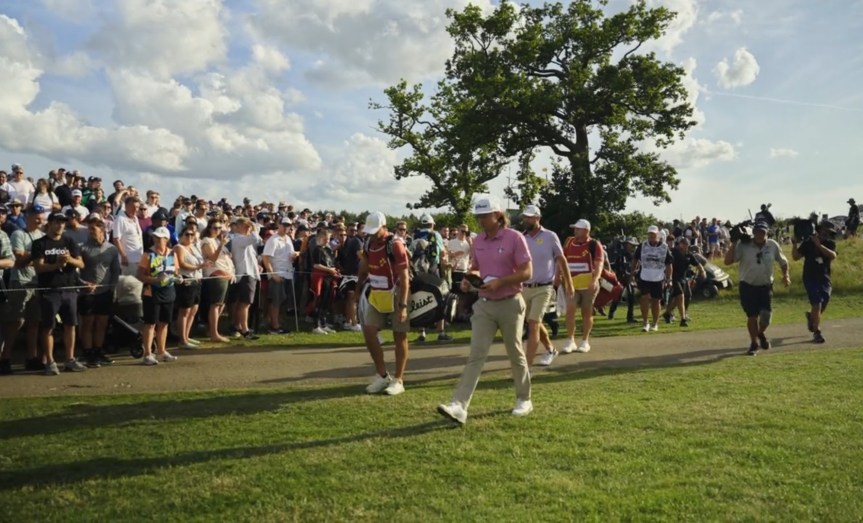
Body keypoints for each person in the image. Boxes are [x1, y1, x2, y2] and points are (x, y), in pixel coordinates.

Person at [437, 197, 533, 425]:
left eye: (484, 215)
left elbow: (527, 271)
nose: (480, 220)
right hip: (485, 304)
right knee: (476, 355)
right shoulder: (478, 240)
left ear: (498, 215)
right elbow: (477, 267)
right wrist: (469, 281)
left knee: (514, 352)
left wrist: (501, 282)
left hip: (510, 302)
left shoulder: (515, 238)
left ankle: (524, 398)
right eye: (478, 216)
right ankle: (459, 405)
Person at [355, 211, 411, 396]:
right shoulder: (369, 243)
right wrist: (357, 290)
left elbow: (404, 277)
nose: (371, 234)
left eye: (375, 230)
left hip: (396, 293)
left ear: (384, 228)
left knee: (399, 335)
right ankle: (382, 376)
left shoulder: (395, 245)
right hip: (376, 293)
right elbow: (364, 268)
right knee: (369, 332)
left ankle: (398, 379)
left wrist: (403, 306)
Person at [724, 220, 790, 356]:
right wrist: (734, 242)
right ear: (753, 232)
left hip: (765, 286)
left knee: (766, 317)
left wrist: (786, 275)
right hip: (747, 286)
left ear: (767, 232)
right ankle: (754, 343)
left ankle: (760, 333)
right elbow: (728, 261)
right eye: (756, 231)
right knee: (752, 316)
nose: (759, 234)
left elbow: (783, 262)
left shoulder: (772, 245)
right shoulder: (744, 245)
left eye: (762, 232)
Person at [31, 212, 86, 374]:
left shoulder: (69, 241)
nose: (61, 225)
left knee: (71, 325)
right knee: (48, 327)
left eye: (63, 222)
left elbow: (81, 264)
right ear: (50, 223)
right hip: (49, 290)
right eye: (57, 222)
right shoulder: (39, 244)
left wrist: (69, 260)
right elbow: (38, 267)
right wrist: (56, 264)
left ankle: (70, 359)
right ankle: (50, 361)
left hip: (69, 289)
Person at [519, 205, 571, 367]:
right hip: (525, 287)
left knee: (533, 324)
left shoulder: (550, 236)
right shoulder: (521, 237)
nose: (526, 220)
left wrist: (568, 283)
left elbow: (561, 259)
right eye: (525, 217)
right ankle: (550, 349)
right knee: (533, 322)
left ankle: (526, 365)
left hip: (544, 287)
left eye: (530, 217)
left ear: (537, 218)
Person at [1, 206, 45, 373]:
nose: (39, 220)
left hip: (37, 281)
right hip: (20, 281)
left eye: (41, 217)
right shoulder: (18, 234)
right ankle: (5, 358)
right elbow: (18, 260)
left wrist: (31, 254)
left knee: (34, 322)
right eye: (36, 217)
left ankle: (31, 357)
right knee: (16, 321)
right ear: (29, 217)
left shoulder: (42, 236)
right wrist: (35, 254)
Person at [78, 215, 121, 367]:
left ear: (102, 230)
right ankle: (88, 352)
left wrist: (112, 288)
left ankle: (98, 350)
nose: (90, 232)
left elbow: (115, 270)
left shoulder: (111, 249)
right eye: (89, 229)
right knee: (88, 323)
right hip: (87, 292)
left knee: (102, 324)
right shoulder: (82, 247)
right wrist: (83, 283)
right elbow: (76, 271)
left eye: (93, 229)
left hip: (105, 292)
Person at [560, 219, 604, 354]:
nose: (575, 231)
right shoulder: (569, 242)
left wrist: (595, 280)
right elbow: (562, 259)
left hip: (588, 284)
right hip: (571, 283)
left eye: (578, 229)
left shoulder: (594, 244)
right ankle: (570, 340)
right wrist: (558, 275)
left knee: (587, 311)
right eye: (575, 228)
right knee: (570, 310)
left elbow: (599, 264)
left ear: (586, 231)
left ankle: (585, 341)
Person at [137, 226, 179, 365]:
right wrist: (155, 280)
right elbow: (140, 275)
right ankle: (148, 354)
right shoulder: (148, 254)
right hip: (152, 293)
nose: (156, 240)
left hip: (169, 292)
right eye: (155, 237)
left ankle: (162, 351)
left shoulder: (172, 253)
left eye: (160, 238)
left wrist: (179, 278)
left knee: (164, 323)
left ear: (166, 239)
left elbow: (175, 272)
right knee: (150, 323)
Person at [791, 220, 837, 344]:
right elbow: (795, 257)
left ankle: (812, 318)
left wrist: (819, 245)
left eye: (828, 232)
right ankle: (817, 332)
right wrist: (794, 244)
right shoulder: (808, 243)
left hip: (824, 278)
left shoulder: (830, 243)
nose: (826, 234)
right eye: (824, 231)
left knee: (824, 301)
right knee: (817, 303)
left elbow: (833, 256)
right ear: (819, 230)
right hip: (810, 278)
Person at [631, 225, 673, 332]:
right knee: (644, 298)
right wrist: (632, 275)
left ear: (657, 235)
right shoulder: (642, 245)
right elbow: (635, 260)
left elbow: (669, 264)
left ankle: (655, 323)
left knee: (656, 301)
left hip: (658, 277)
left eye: (653, 235)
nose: (651, 237)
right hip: (645, 275)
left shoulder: (664, 247)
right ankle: (645, 322)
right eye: (649, 234)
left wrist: (669, 279)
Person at [200, 218, 235, 342]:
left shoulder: (217, 240)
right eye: (215, 228)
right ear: (209, 228)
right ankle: (214, 334)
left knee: (221, 304)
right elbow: (213, 258)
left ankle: (212, 330)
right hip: (216, 275)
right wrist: (221, 245)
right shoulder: (207, 240)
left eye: (220, 228)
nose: (218, 230)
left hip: (226, 275)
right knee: (216, 304)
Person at [262, 217, 298, 334]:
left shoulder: (288, 239)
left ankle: (277, 323)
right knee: (275, 301)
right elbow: (265, 257)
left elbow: (290, 255)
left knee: (283, 301)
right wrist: (272, 274)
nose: (287, 227)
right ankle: (274, 326)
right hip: (277, 273)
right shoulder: (273, 240)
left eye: (289, 225)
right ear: (279, 225)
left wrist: (294, 255)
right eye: (285, 225)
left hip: (288, 273)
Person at [227, 217, 261, 340]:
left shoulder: (243, 240)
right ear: (239, 227)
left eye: (249, 227)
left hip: (249, 273)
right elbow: (255, 238)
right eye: (246, 226)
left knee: (243, 303)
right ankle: (244, 329)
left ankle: (238, 326)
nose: (248, 229)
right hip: (246, 274)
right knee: (245, 303)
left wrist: (257, 266)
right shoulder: (239, 239)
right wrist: (253, 226)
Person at [174, 224, 207, 349]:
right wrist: (199, 267)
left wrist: (201, 266)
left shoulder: (194, 247)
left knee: (193, 310)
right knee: (185, 310)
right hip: (186, 281)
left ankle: (187, 337)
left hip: (197, 280)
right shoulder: (179, 247)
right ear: (181, 236)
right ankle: (182, 340)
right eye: (187, 234)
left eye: (192, 234)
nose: (189, 237)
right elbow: (182, 264)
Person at [662, 237, 705, 327]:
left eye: (686, 244)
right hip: (673, 278)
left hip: (683, 278)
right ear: (679, 244)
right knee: (680, 295)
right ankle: (683, 319)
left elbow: (697, 264)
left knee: (685, 296)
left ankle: (667, 312)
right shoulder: (672, 252)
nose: (685, 245)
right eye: (683, 243)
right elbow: (666, 264)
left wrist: (702, 271)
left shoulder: (688, 255)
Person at [113, 196, 144, 276]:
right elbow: (116, 239)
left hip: (139, 258)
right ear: (126, 206)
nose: (135, 209)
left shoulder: (135, 218)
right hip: (128, 260)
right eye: (133, 207)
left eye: (137, 207)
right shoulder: (120, 219)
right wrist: (123, 256)